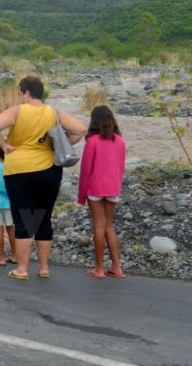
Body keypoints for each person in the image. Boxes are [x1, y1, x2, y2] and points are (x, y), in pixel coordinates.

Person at [0, 76, 86, 280]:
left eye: (20, 93)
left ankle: (22, 269)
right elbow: (80, 130)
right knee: (42, 218)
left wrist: (5, 146)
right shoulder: (54, 112)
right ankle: (43, 268)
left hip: (19, 171)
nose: (20, 97)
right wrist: (58, 144)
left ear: (27, 93)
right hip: (49, 170)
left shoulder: (17, 110)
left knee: (23, 219)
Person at [78, 105, 127, 279]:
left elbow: (85, 170)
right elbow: (121, 167)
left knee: (99, 225)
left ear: (94, 121)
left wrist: (81, 195)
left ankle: (99, 269)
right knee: (109, 226)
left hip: (96, 188)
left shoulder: (92, 141)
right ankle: (117, 268)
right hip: (113, 188)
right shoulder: (120, 140)